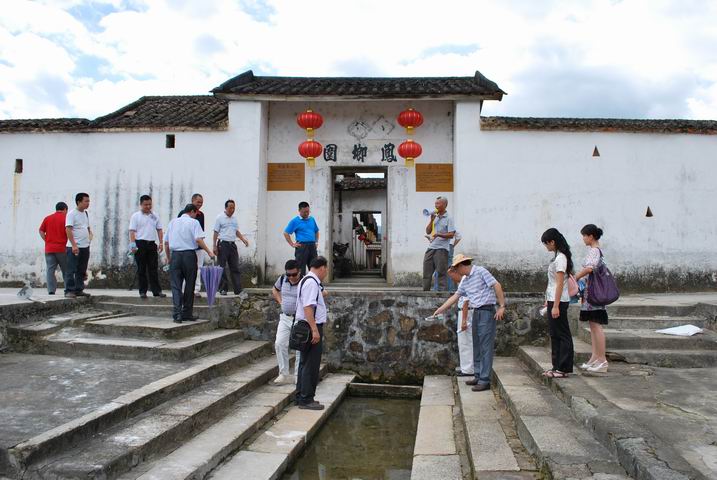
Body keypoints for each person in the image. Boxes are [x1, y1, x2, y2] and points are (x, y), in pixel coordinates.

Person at [433, 254, 506, 391]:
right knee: (477, 345)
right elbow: (456, 296)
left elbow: (496, 285)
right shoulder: (465, 280)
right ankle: (478, 375)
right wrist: (441, 309)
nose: (455, 271)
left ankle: (485, 380)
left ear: (461, 265)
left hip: (486, 310)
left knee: (485, 346)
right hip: (476, 312)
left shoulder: (480, 271)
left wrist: (502, 306)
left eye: (456, 268)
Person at [165, 204, 215, 323]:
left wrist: (168, 258)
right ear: (192, 212)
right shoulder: (194, 223)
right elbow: (198, 239)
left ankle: (177, 314)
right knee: (189, 285)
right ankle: (187, 313)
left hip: (175, 255)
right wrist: (209, 252)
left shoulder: (172, 222)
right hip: (189, 256)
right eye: (196, 214)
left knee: (176, 286)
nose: (196, 216)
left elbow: (166, 243)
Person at [295, 256, 329, 410]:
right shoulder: (311, 282)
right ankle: (306, 399)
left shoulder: (308, 281)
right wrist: (315, 330)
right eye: (326, 270)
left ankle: (301, 396)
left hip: (307, 326)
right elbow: (308, 307)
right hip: (310, 327)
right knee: (311, 364)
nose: (326, 273)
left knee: (304, 362)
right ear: (322, 268)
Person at [540, 228, 575, 378]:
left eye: (546, 243)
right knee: (554, 334)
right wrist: (548, 300)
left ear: (552, 242)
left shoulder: (561, 258)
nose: (546, 246)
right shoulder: (557, 257)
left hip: (559, 301)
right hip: (553, 298)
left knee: (562, 334)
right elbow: (552, 283)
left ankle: (563, 367)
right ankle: (556, 366)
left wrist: (555, 305)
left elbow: (560, 284)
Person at [574, 224, 609, 374]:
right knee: (593, 326)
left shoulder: (594, 251)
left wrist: (574, 278)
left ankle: (602, 360)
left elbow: (589, 268)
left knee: (596, 326)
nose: (583, 239)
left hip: (593, 293)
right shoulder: (594, 250)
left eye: (584, 236)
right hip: (590, 293)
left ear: (591, 236)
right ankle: (595, 357)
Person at [271, 259, 302, 385]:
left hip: (299, 319)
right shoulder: (283, 279)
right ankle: (283, 374)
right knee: (279, 343)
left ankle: (298, 375)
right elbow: (274, 289)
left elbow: (322, 293)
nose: (291, 277)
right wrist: (280, 301)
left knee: (299, 348)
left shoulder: (305, 281)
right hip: (285, 317)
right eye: (289, 274)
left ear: (299, 272)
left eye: (294, 274)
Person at [129, 195, 166, 299]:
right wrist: (133, 244)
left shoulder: (155, 216)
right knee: (141, 269)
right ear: (141, 204)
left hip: (151, 244)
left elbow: (159, 229)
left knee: (153, 268)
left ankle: (157, 291)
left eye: (150, 204)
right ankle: (143, 291)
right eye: (146, 204)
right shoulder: (135, 216)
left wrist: (161, 243)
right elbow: (132, 231)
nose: (148, 206)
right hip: (140, 244)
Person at [213, 199, 249, 295]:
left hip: (232, 245)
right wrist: (214, 246)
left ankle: (238, 289)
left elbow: (236, 231)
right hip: (222, 244)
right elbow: (215, 232)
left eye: (233, 208)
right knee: (221, 267)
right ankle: (223, 289)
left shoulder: (234, 219)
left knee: (235, 267)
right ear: (226, 208)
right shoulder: (219, 218)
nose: (232, 210)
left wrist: (243, 239)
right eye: (230, 208)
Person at [423, 196, 455, 291]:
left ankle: (442, 294)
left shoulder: (449, 218)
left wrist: (438, 234)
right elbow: (428, 231)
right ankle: (425, 292)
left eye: (438, 203)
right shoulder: (435, 217)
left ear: (445, 205)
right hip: (431, 247)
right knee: (426, 271)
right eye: (435, 203)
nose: (435, 205)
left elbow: (451, 234)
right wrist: (431, 220)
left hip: (442, 249)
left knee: (441, 272)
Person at [65, 193, 92, 298]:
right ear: (79, 202)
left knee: (81, 269)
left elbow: (87, 227)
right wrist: (74, 245)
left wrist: (89, 236)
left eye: (88, 201)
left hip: (85, 246)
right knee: (71, 269)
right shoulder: (72, 214)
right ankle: (69, 290)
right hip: (75, 246)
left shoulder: (85, 214)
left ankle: (79, 289)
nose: (88, 203)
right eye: (86, 201)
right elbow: (68, 229)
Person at [448, 266, 473, 377]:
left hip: (465, 312)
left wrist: (464, 320)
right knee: (464, 342)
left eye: (451, 276)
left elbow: (466, 301)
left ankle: (468, 369)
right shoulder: (463, 281)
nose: (452, 279)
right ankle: (466, 367)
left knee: (466, 342)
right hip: (463, 311)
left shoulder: (465, 280)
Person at [39, 202, 68, 294]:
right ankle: (68, 289)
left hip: (49, 248)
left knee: (50, 270)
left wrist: (47, 240)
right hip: (62, 249)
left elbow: (41, 230)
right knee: (66, 270)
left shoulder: (47, 218)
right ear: (65, 209)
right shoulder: (66, 218)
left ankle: (51, 291)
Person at [283, 202, 320, 275]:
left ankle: (313, 285)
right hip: (302, 246)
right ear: (299, 210)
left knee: (314, 267)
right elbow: (286, 233)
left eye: (308, 211)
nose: (306, 213)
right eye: (304, 212)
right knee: (300, 268)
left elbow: (316, 231)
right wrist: (292, 244)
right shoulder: (295, 221)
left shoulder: (312, 219)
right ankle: (300, 285)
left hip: (312, 246)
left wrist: (316, 242)